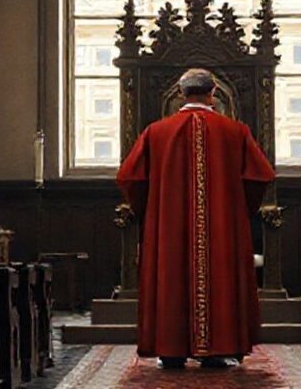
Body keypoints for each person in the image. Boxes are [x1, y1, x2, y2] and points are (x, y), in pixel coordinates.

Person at [117, 68, 275, 369]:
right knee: (219, 276)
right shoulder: (235, 131)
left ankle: (171, 349)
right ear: (213, 93)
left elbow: (129, 177)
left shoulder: (155, 132)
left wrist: (152, 211)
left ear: (180, 93)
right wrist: (237, 211)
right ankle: (217, 349)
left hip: (169, 227)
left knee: (171, 276)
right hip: (222, 228)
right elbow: (260, 176)